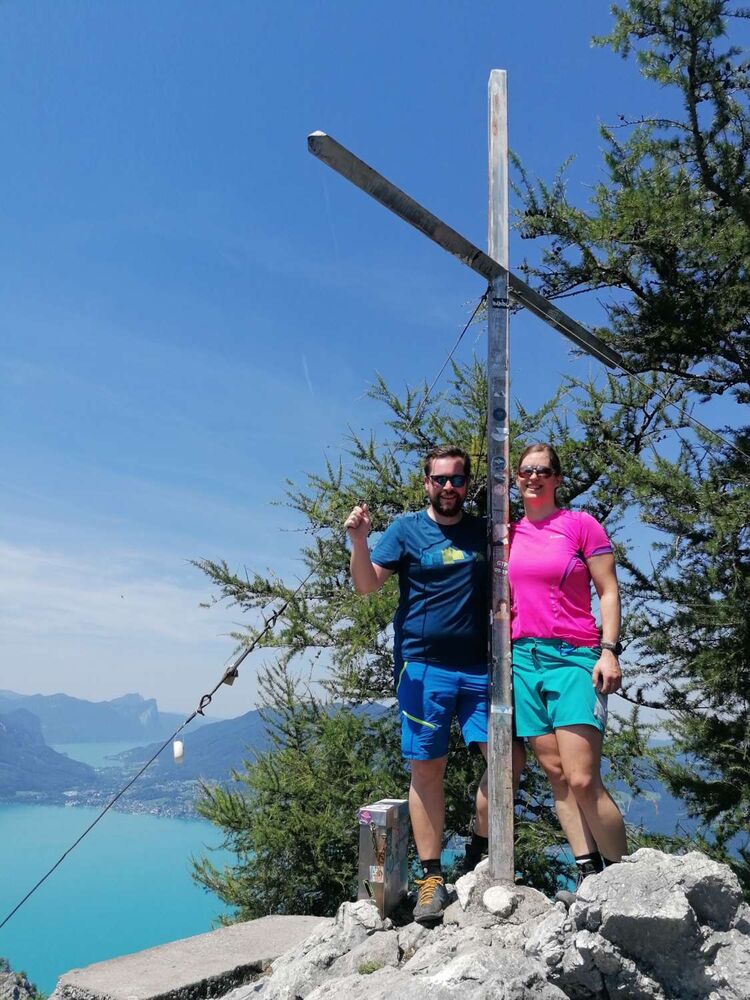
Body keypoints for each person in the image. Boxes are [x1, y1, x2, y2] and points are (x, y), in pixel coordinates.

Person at [346, 445, 521, 923]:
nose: (448, 487)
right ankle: (431, 879)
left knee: (508, 760)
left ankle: (479, 854)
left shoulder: (485, 531)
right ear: (426, 483)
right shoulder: (405, 530)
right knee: (427, 770)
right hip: (422, 669)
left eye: (457, 480)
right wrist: (359, 541)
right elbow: (367, 585)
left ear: (468, 484)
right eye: (440, 479)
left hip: (482, 669)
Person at [508, 442, 627, 894]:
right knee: (557, 774)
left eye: (542, 470)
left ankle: (623, 881)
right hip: (523, 661)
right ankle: (588, 876)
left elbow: (608, 591)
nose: (533, 477)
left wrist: (609, 650)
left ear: (557, 478)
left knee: (582, 776)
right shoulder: (508, 534)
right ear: (516, 479)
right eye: (525, 471)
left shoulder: (580, 525)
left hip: (574, 657)